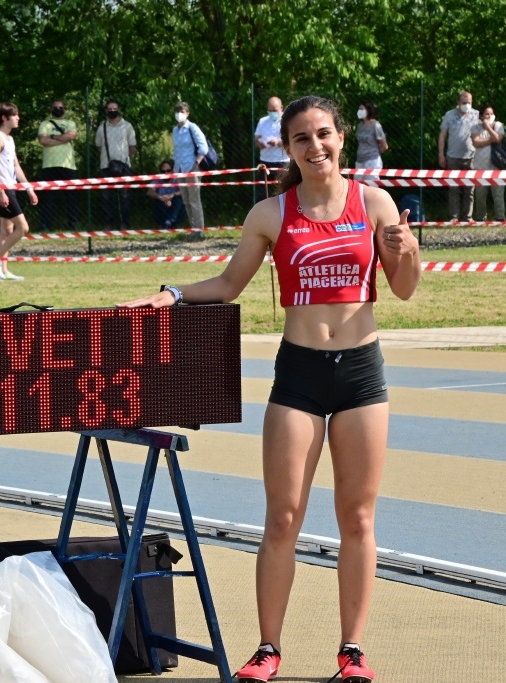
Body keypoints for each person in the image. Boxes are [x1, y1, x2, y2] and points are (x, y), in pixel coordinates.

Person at [119, 96, 420, 683]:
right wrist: (173, 295)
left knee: (358, 518)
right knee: (282, 518)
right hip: (299, 375)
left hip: (361, 374)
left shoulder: (375, 203)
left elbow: (404, 288)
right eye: (302, 138)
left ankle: (352, 651)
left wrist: (406, 252)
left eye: (324, 134)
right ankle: (267, 649)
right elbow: (229, 284)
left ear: (341, 138)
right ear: (287, 148)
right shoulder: (270, 213)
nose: (315, 146)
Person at [0, 102, 38, 281]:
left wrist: (28, 188)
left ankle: (3, 271)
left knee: (6, 231)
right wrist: (0, 191)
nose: (18, 118)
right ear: (4, 118)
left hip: (12, 187)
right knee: (23, 227)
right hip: (2, 188)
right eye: (14, 115)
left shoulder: (10, 139)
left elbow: (16, 166)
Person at [94, 98, 137, 230]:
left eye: (115, 109)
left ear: (119, 110)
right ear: (106, 110)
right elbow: (99, 146)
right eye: (110, 109)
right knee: (106, 196)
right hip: (106, 166)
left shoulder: (127, 126)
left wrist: (125, 160)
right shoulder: (102, 127)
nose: (112, 111)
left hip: (124, 165)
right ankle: (109, 223)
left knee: (125, 196)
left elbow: (132, 146)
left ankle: (125, 224)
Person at [36, 99, 79, 231]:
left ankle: (73, 224)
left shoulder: (70, 123)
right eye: (55, 107)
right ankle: (46, 225)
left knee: (71, 197)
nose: (58, 109)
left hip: (68, 165)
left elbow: (71, 136)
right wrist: (62, 139)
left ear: (64, 109)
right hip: (49, 165)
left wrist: (52, 137)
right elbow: (43, 140)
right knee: (49, 197)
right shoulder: (45, 123)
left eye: (60, 107)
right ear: (51, 109)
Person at [437, 91, 478, 222]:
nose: (467, 105)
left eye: (469, 103)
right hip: (453, 157)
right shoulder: (449, 115)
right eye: (464, 103)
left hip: (471, 157)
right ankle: (454, 217)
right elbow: (442, 135)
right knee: (453, 189)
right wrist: (441, 155)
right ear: (458, 103)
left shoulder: (476, 115)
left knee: (469, 189)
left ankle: (468, 217)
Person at [171, 102, 207, 232]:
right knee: (186, 200)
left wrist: (196, 164)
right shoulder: (175, 130)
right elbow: (176, 150)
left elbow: (203, 148)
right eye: (177, 111)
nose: (179, 114)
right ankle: (193, 228)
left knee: (194, 200)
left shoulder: (192, 127)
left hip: (192, 169)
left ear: (187, 113)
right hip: (180, 169)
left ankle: (199, 230)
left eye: (182, 111)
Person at [470, 104, 506, 222]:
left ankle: (500, 217)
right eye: (487, 114)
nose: (490, 116)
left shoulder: (498, 125)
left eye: (491, 113)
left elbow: (498, 138)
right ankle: (481, 217)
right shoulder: (475, 127)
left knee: (498, 194)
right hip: (480, 167)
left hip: (497, 166)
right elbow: (476, 142)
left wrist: (488, 128)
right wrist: (491, 139)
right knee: (480, 195)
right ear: (481, 116)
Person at [254, 97, 289, 201]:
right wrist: (259, 144)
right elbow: (256, 140)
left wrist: (278, 143)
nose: (272, 113)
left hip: (283, 161)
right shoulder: (262, 121)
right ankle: (262, 210)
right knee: (262, 193)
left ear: (281, 107)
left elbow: (292, 141)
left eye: (274, 110)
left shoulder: (287, 121)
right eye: (270, 111)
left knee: (284, 192)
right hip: (265, 162)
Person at [147, 159, 186, 229]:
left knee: (179, 200)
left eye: (168, 171)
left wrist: (173, 195)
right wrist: (160, 197)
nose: (166, 173)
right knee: (157, 201)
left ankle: (168, 222)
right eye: (163, 171)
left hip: (176, 208)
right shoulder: (157, 180)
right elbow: (149, 191)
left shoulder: (177, 180)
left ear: (172, 171)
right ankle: (169, 223)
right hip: (162, 207)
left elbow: (184, 190)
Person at [355, 99, 388, 170]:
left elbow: (384, 146)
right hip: (359, 161)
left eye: (361, 109)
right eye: (359, 109)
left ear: (368, 110)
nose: (359, 111)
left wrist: (374, 154)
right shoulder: (360, 126)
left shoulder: (375, 125)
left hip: (372, 161)